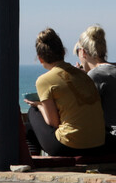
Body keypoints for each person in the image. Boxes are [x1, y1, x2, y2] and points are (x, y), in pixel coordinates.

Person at [24, 28, 107, 156]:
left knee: (32, 111)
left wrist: (40, 106)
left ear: (40, 59)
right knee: (29, 130)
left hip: (70, 146)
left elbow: (53, 123)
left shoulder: (44, 80)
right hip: (98, 143)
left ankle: (33, 160)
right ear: (63, 52)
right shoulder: (83, 75)